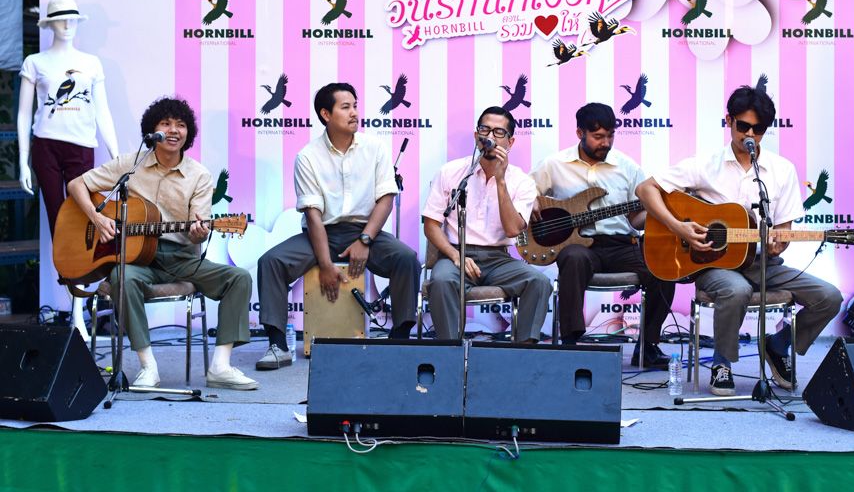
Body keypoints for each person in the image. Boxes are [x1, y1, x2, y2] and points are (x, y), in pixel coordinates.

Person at [636, 85, 842, 395]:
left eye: (758, 129)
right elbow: (645, 190)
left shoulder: (781, 170)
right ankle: (721, 363)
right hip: (714, 265)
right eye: (743, 125)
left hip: (763, 263)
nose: (750, 134)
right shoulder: (705, 165)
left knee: (829, 296)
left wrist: (778, 243)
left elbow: (783, 229)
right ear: (729, 120)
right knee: (737, 289)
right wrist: (679, 227)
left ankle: (777, 345)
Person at [67, 96, 257, 391]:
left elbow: (197, 231)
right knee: (122, 278)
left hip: (181, 258)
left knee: (239, 278)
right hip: (136, 258)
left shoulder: (199, 176)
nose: (173, 130)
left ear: (187, 133)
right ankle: (148, 367)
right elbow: (76, 184)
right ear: (152, 131)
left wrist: (199, 233)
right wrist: (96, 218)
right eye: (165, 123)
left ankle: (220, 366)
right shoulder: (130, 165)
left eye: (180, 125)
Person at [256, 83, 419, 369]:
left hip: (366, 231)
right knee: (271, 262)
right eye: (346, 107)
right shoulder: (307, 157)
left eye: (355, 106)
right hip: (321, 234)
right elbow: (313, 215)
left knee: (406, 259)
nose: (354, 112)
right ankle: (278, 346)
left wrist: (365, 240)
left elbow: (386, 199)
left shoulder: (375, 148)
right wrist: (325, 264)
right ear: (326, 114)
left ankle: (400, 338)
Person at [530, 102, 675, 368]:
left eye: (610, 136)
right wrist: (531, 202)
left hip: (622, 244)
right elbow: (524, 193)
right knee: (573, 258)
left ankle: (648, 346)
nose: (605, 143)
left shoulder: (627, 167)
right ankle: (570, 343)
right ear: (580, 133)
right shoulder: (554, 164)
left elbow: (636, 218)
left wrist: (660, 214)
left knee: (663, 268)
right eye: (598, 136)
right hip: (579, 246)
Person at [18, 0, 118, 341]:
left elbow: (103, 112)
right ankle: (72, 308)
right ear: (49, 24)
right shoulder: (35, 62)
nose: (67, 24)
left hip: (81, 148)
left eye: (72, 19)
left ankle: (78, 312)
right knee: (58, 225)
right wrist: (23, 160)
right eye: (61, 19)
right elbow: (24, 114)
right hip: (46, 146)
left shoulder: (91, 63)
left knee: (81, 224)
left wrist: (117, 156)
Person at [422, 106, 552, 343]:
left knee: (539, 282)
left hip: (498, 260)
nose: (490, 137)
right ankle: (449, 351)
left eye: (498, 132)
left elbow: (513, 230)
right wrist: (456, 255)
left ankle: (524, 353)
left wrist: (500, 182)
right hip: (456, 255)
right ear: (476, 136)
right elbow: (430, 225)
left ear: (510, 142)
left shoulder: (521, 181)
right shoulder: (451, 172)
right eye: (485, 130)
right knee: (441, 281)